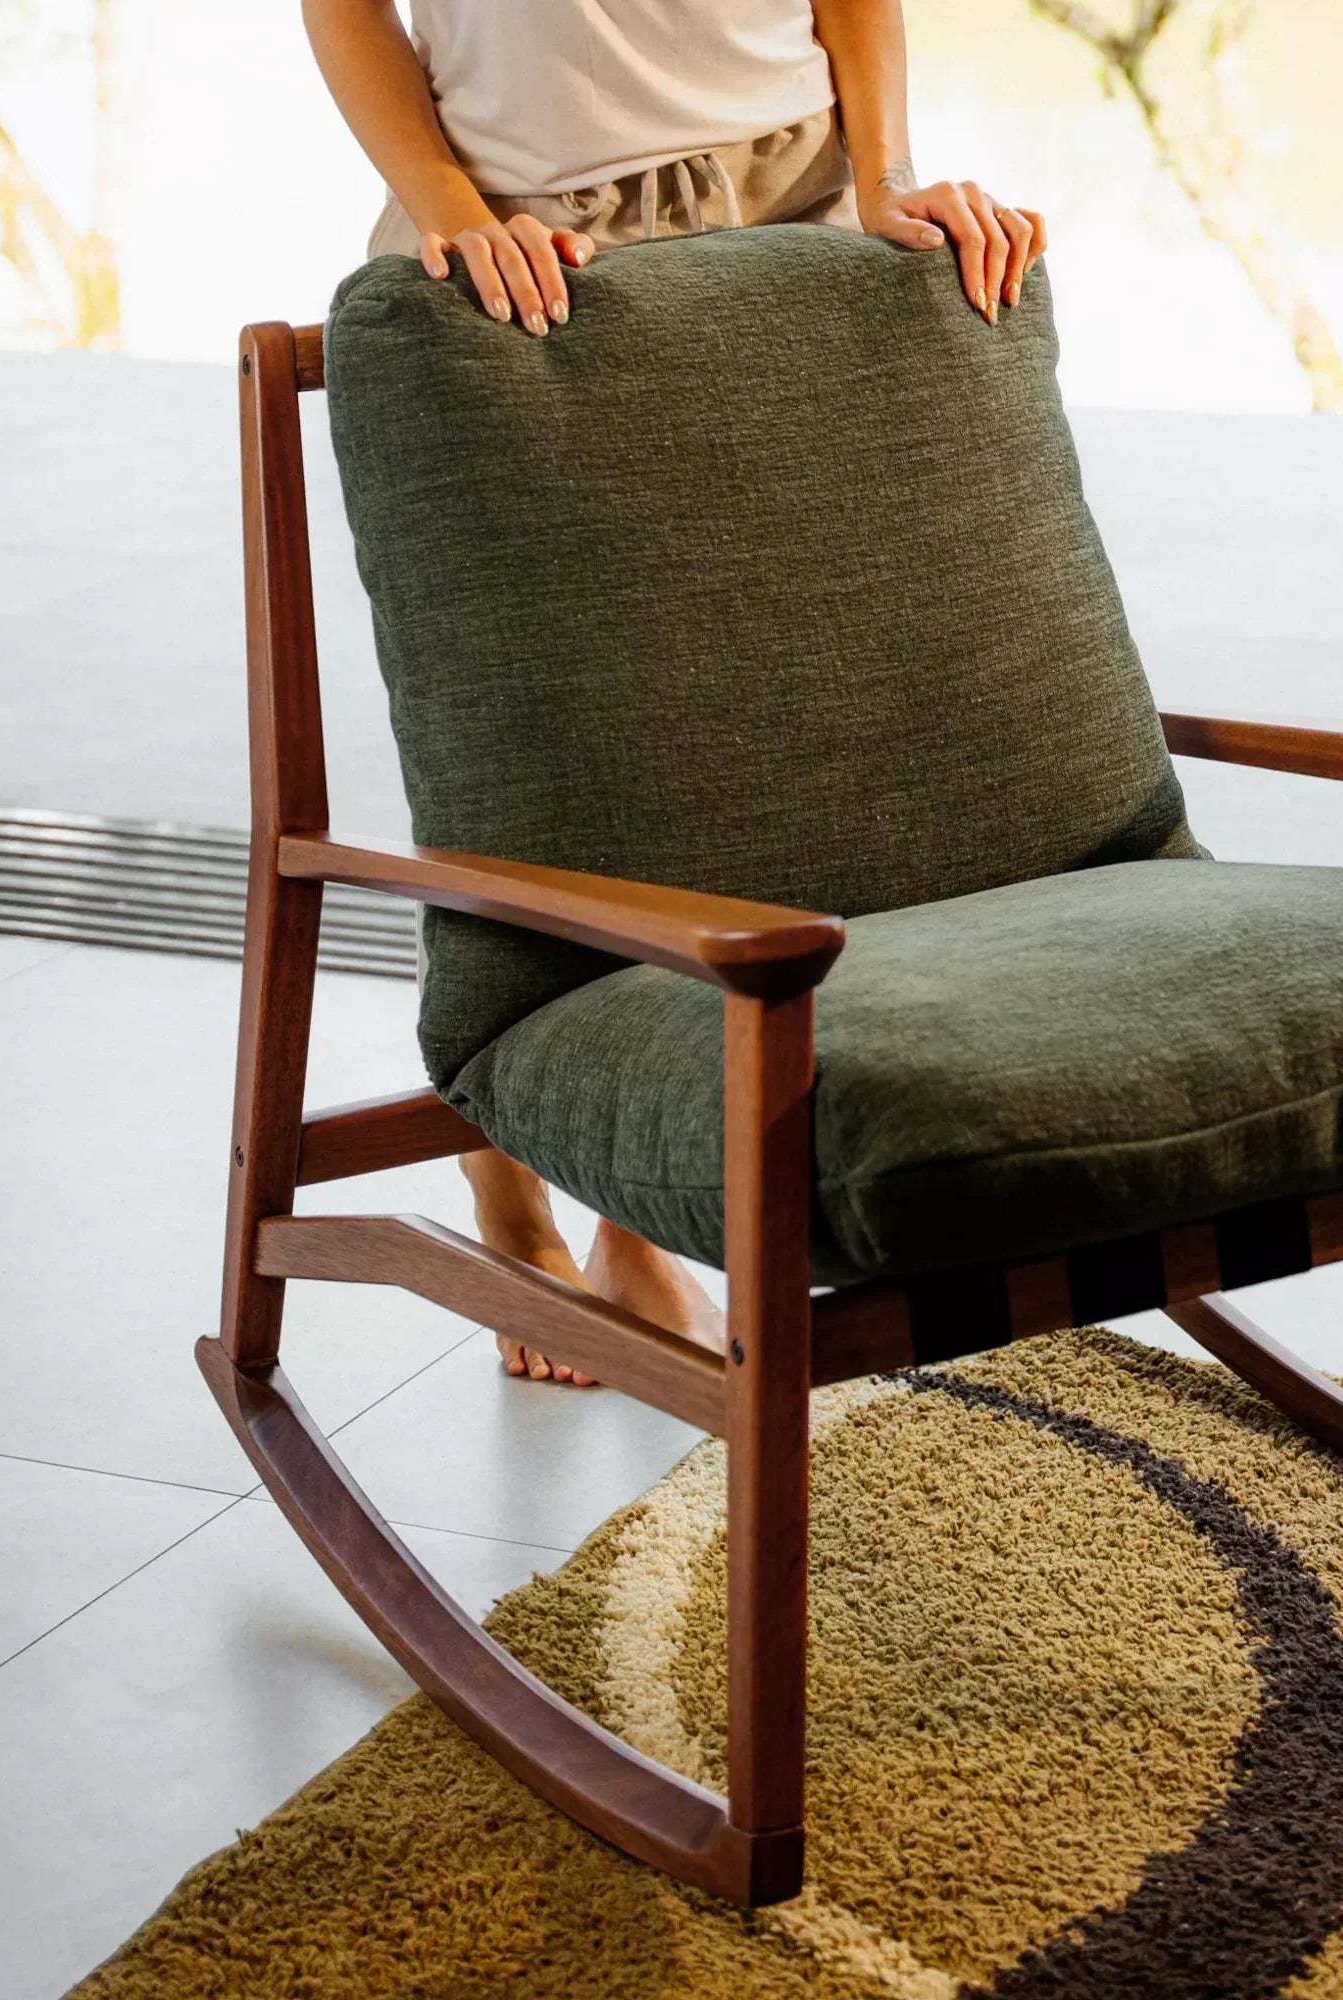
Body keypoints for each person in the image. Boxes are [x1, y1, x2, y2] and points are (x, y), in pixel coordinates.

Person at [304, 0, 1045, 1382]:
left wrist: (884, 173)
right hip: (520, 226)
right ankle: (521, 1173)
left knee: (766, 727)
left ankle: (651, 1187)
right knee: (535, 740)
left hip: (797, 189)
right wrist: (450, 206)